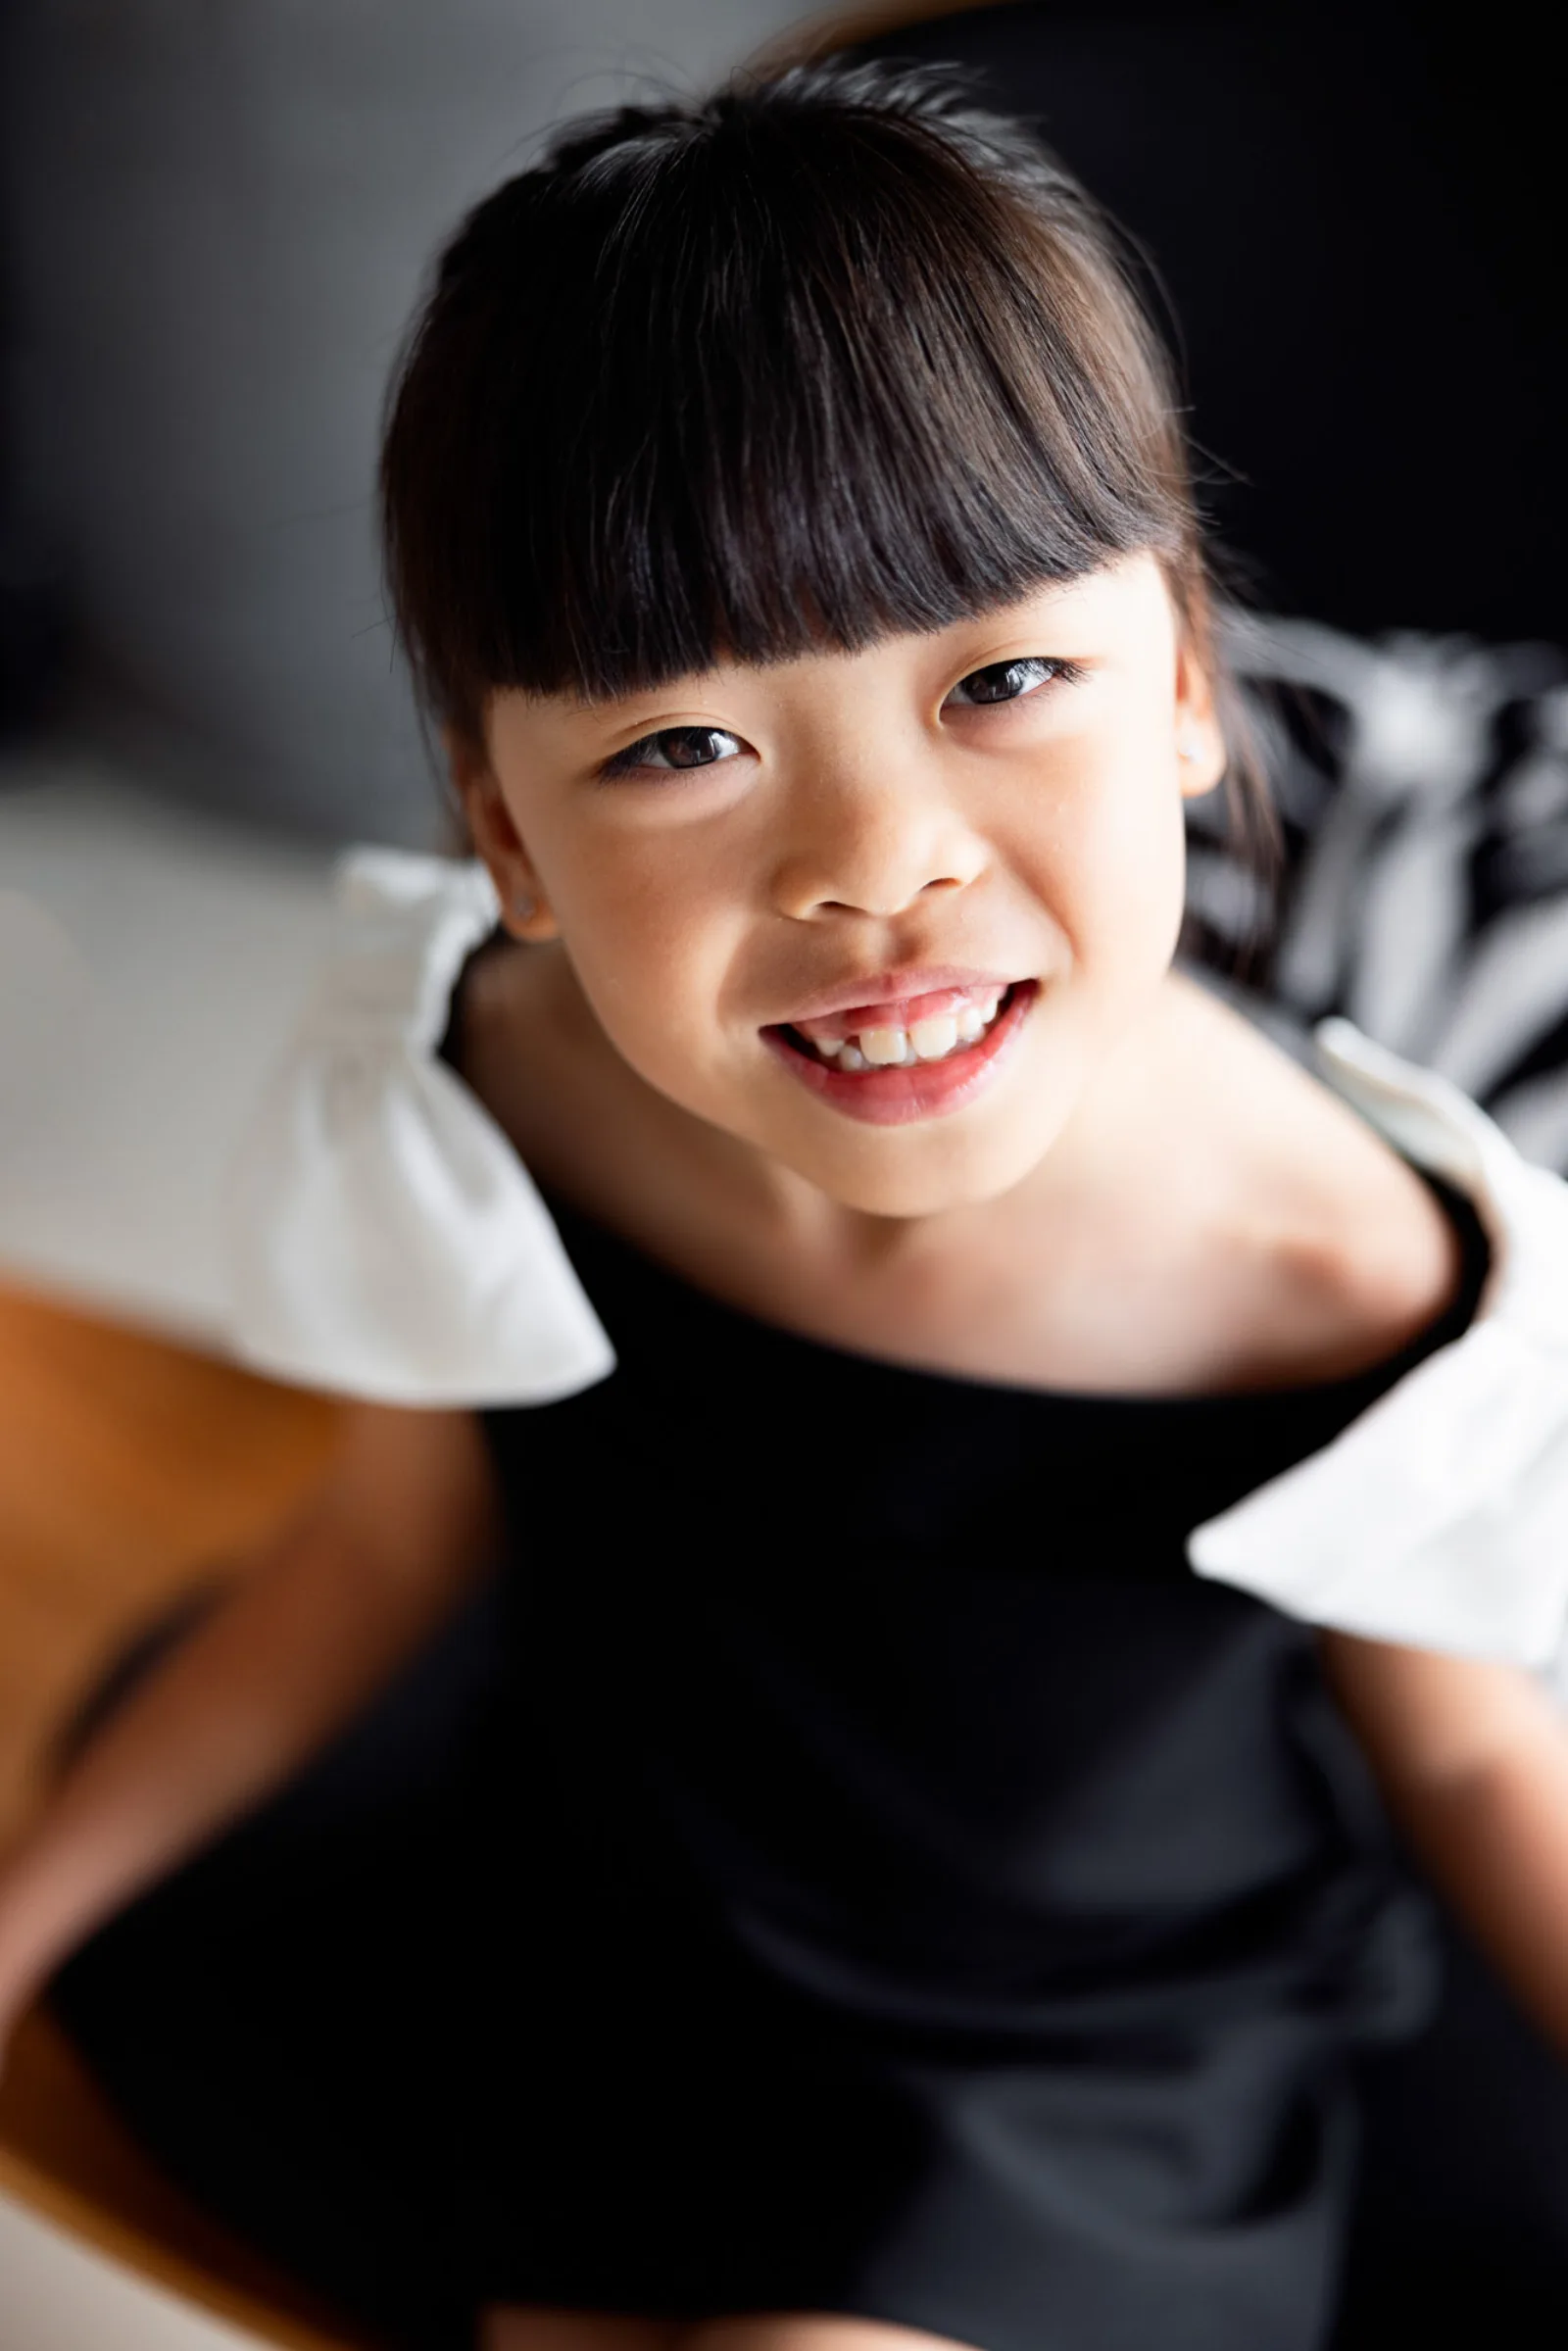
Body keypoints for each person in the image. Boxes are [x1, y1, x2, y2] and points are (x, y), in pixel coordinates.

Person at [4, 56, 1568, 2351]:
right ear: (505, 833)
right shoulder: (489, 1079)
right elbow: (384, 1547)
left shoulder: (1341, 1277)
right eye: (677, 745)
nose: (873, 861)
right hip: (607, 1906)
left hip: (1053, 2074)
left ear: (1187, 688)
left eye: (1007, 679)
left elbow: (1471, 1752)